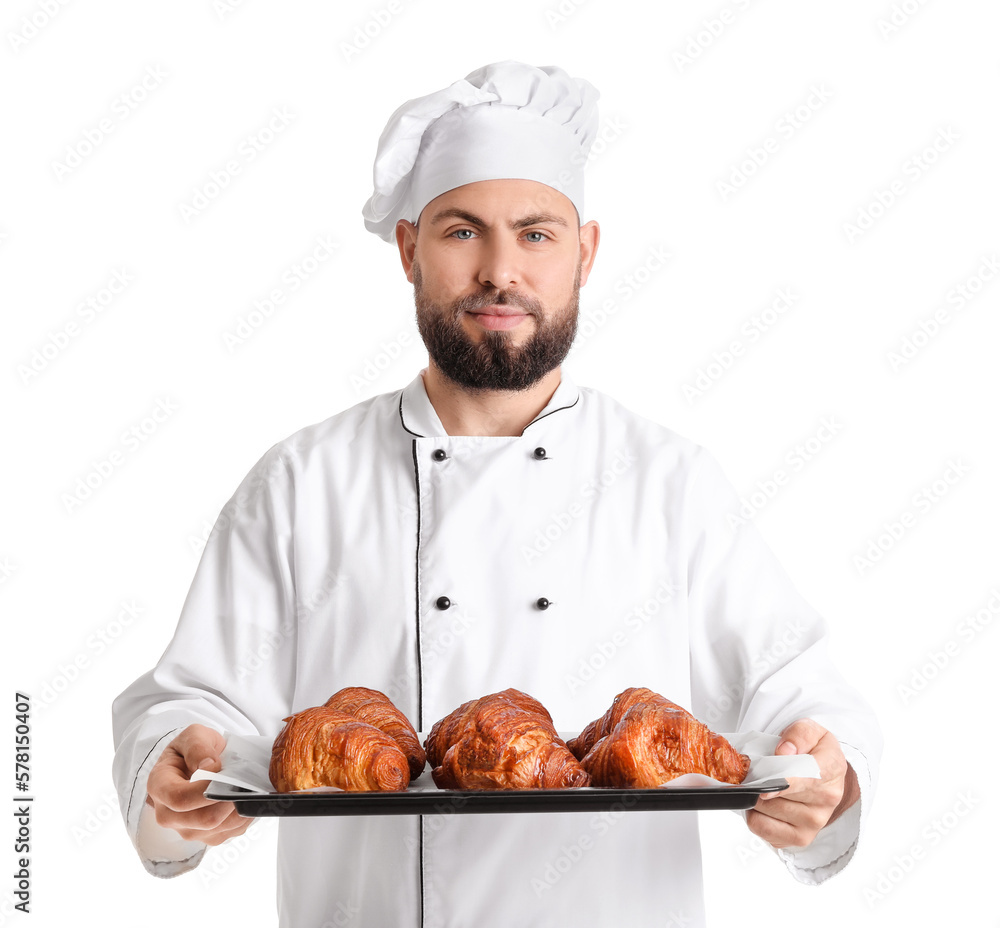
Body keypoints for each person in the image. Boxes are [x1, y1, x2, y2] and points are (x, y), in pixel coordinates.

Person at [112, 60, 880, 927]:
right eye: (462, 231)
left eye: (537, 234)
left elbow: (799, 694)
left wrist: (828, 779)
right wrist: (170, 767)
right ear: (410, 250)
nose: (500, 271)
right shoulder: (300, 482)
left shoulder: (669, 482)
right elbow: (189, 703)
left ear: (585, 254)